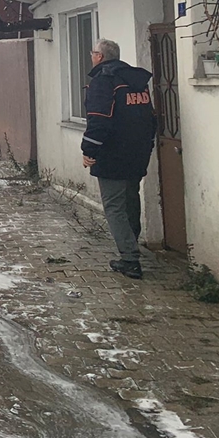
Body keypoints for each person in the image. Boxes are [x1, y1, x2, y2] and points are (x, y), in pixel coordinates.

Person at [81, 38, 157, 280]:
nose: (92, 56)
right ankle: (132, 243)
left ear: (100, 57)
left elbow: (98, 119)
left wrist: (89, 151)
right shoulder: (136, 81)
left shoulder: (103, 81)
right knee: (130, 199)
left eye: (93, 53)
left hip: (112, 153)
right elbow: (149, 118)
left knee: (114, 206)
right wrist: (148, 145)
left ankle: (130, 260)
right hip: (138, 151)